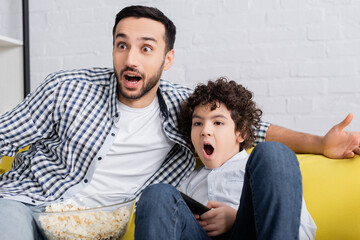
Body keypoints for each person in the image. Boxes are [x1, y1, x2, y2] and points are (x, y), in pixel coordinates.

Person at [0, 5, 358, 239]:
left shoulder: (179, 105)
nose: (131, 59)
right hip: (30, 201)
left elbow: (250, 129)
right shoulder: (69, 88)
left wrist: (319, 143)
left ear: (167, 58)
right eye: (121, 45)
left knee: (273, 155)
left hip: (104, 225)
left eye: (146, 48)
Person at [135, 78, 316, 239]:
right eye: (197, 123)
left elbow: (303, 230)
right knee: (158, 193)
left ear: (241, 133)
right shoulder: (188, 180)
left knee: (274, 152)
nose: (205, 130)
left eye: (218, 123)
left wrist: (236, 219)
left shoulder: (261, 168)